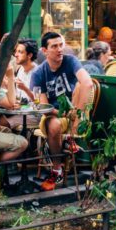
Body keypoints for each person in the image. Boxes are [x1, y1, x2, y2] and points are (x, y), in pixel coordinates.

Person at [30, 32, 93, 189]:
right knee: (54, 126)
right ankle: (57, 169)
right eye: (54, 46)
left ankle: (69, 137)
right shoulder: (38, 73)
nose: (59, 49)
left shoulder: (70, 61)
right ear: (45, 51)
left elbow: (88, 83)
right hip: (54, 114)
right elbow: (44, 107)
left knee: (80, 85)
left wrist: (78, 115)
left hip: (74, 113)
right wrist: (65, 114)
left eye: (61, 45)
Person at [13, 38, 38, 102]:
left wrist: (25, 88)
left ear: (29, 55)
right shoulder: (20, 69)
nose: (16, 55)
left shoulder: (38, 72)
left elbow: (38, 101)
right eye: (16, 51)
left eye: (20, 52)